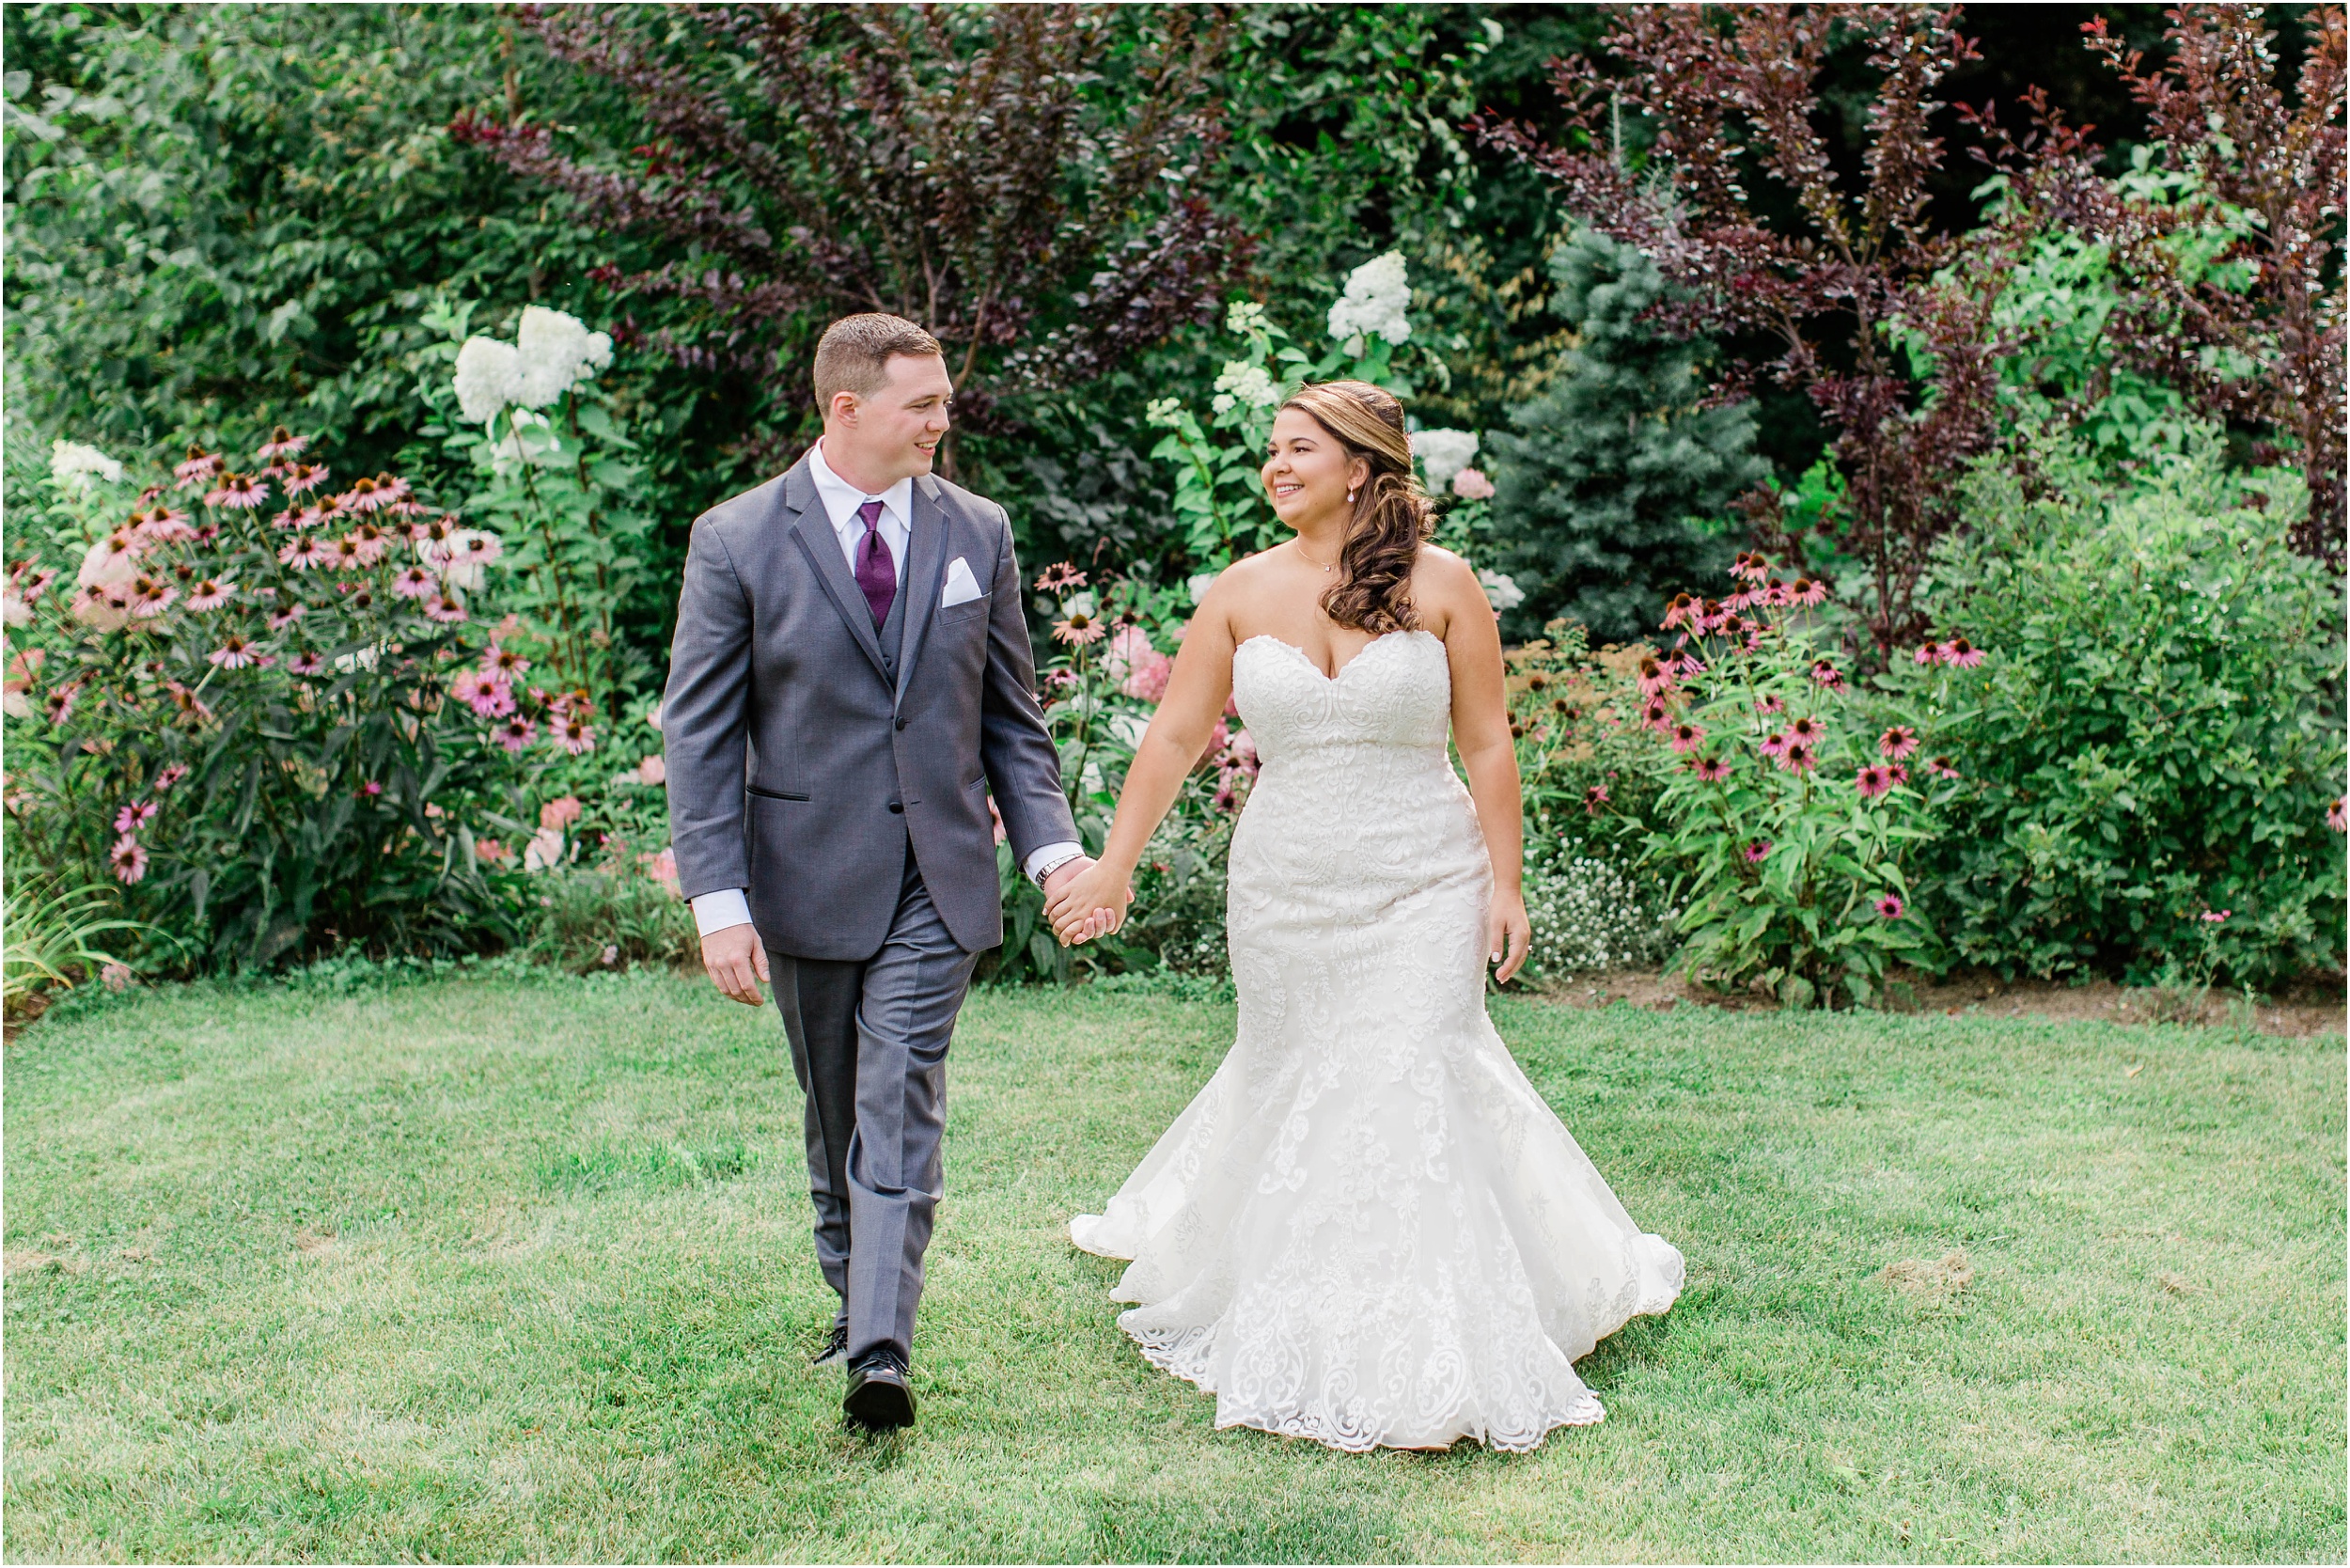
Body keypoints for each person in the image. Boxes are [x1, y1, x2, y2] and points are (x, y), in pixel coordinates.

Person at [1045, 380, 1684, 1452]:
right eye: (1270, 451)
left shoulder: (1442, 584)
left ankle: (1430, 1333)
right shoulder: (1241, 591)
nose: (1275, 467)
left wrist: (1504, 881)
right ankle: (1292, 1287)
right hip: (1287, 887)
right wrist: (1113, 866)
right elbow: (1170, 739)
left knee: (1412, 1069)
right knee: (1298, 1074)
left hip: (1422, 882)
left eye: (1298, 449)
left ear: (1360, 465)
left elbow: (1485, 742)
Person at [663, 313, 1102, 1432]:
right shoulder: (737, 539)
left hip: (939, 875)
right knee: (832, 1106)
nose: (943, 422)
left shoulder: (978, 532)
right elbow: (702, 735)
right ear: (846, 408)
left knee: (897, 1091)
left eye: (944, 401)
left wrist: (1050, 847)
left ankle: (880, 1352)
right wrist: (718, 902)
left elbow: (1012, 717)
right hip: (803, 872)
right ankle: (850, 1286)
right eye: (924, 405)